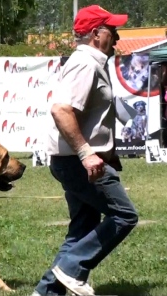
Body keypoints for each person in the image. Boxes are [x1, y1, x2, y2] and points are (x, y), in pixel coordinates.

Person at [32, 5, 139, 296]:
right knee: (124, 215)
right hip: (78, 163)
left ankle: (46, 293)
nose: (117, 37)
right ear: (95, 34)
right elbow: (62, 110)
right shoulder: (85, 63)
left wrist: (105, 151)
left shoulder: (93, 61)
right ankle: (71, 269)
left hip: (76, 160)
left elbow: (86, 116)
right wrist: (87, 153)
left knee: (83, 227)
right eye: (112, 30)